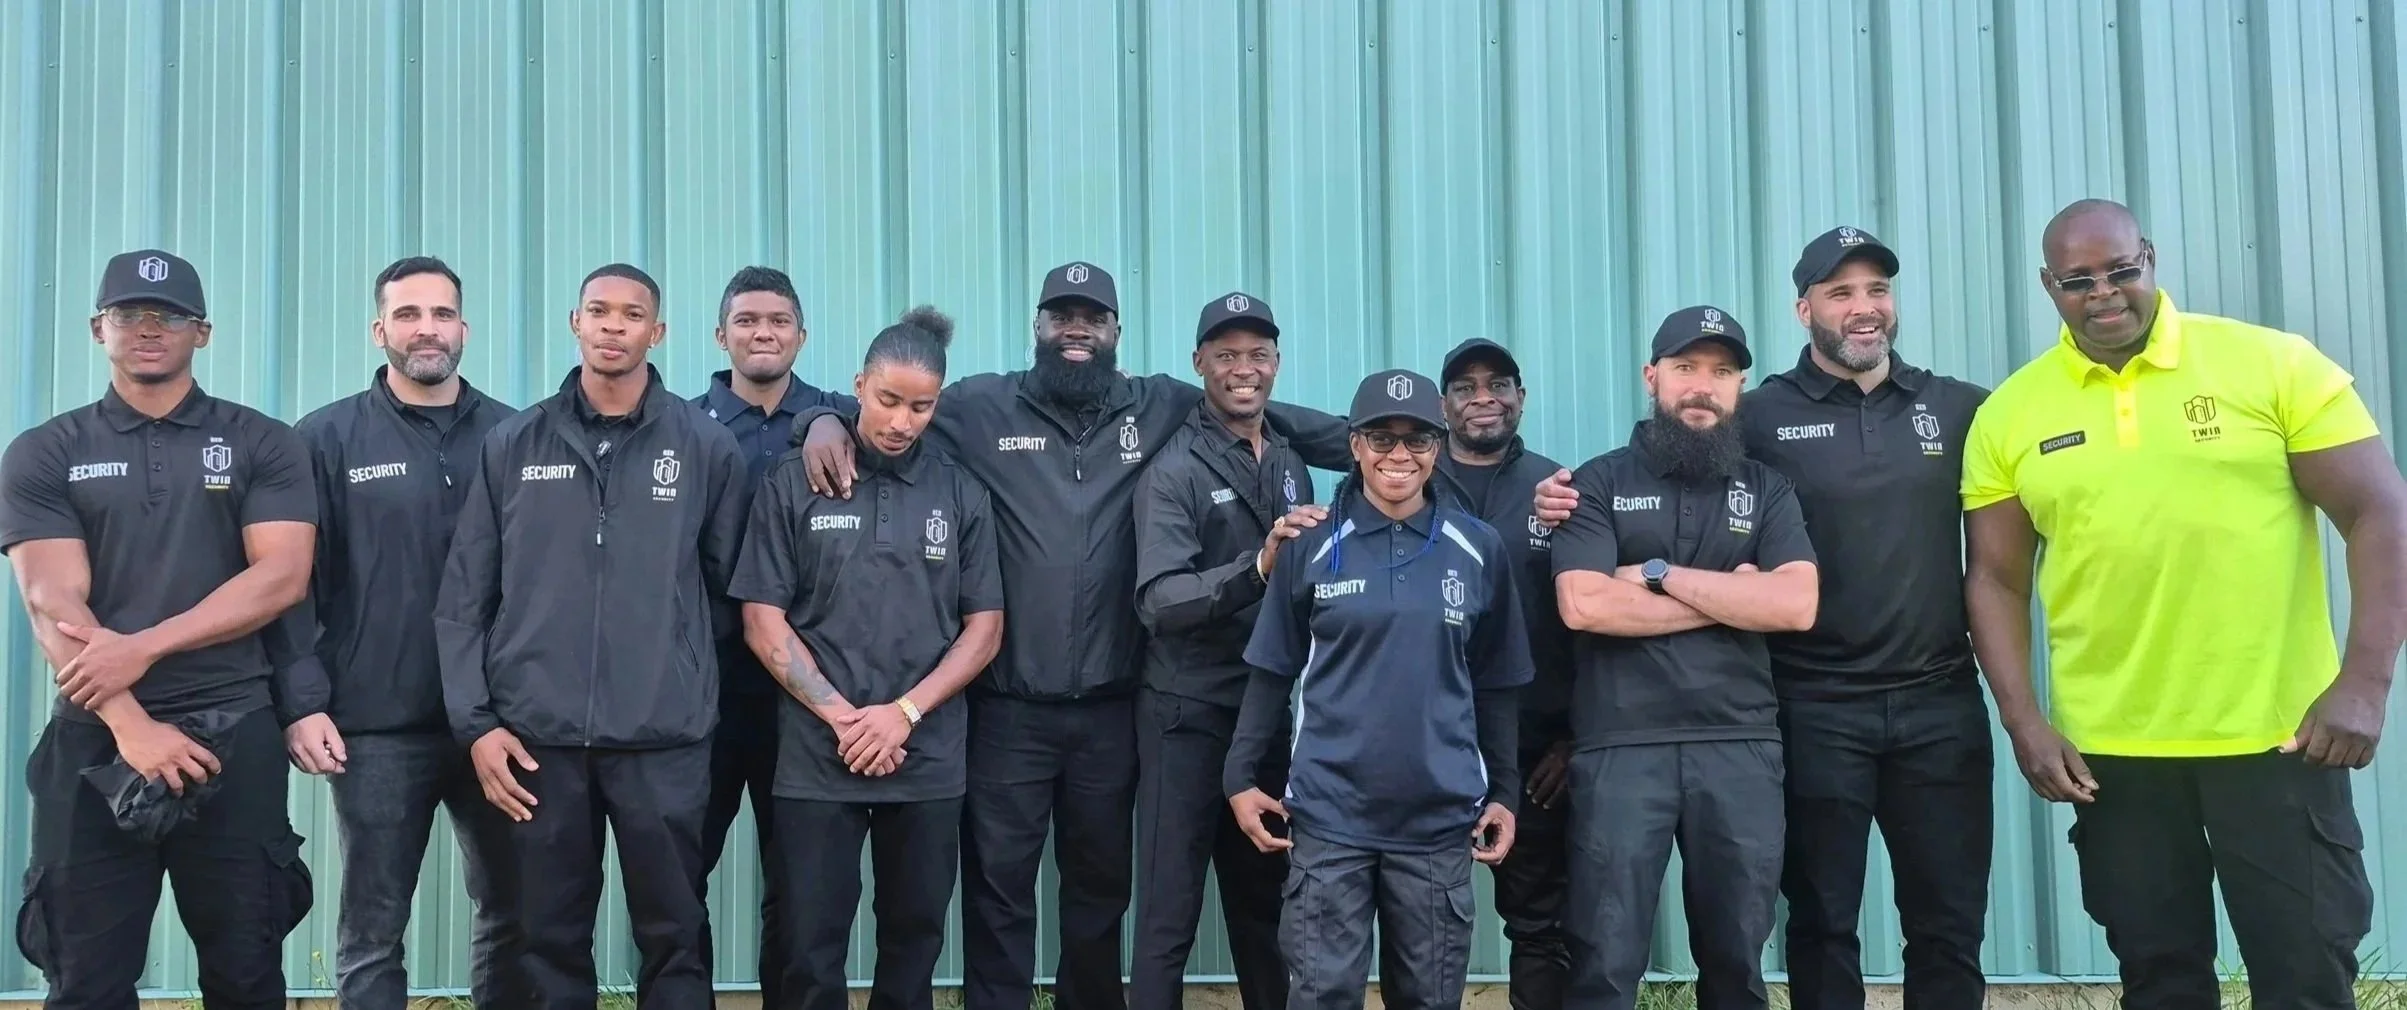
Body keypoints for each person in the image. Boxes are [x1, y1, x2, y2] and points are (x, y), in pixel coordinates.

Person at [786, 261, 1351, 1010]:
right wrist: (813, 420)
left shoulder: (1160, 405)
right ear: (1038, 328)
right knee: (1000, 893)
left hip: (1114, 708)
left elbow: (1263, 411)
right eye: (1060, 316)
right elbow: (885, 403)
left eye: (1092, 317)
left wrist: (1387, 443)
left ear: (1117, 331)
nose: (1075, 329)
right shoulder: (980, 405)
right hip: (1007, 708)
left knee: (1098, 891)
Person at [1533, 228, 1997, 1010]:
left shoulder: (1959, 409)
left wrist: (1651, 578)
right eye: (1839, 292)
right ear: (1803, 307)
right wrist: (1560, 510)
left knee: (1944, 925)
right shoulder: (1743, 422)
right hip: (1808, 707)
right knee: (1812, 923)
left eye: (1876, 290)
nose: (1862, 308)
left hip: (1934, 701)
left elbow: (1796, 599)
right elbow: (1597, 576)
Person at [1961, 198, 2400, 1010]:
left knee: (2305, 977)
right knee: (2159, 982)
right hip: (2114, 757)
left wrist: (2364, 682)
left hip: (2279, 739)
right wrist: (2024, 722)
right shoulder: (2011, 413)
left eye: (2121, 271)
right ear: (2046, 285)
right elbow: (1993, 578)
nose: (2103, 294)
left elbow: (2379, 512)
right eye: (2076, 280)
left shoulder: (2271, 365)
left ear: (2150, 259)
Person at [2, 248, 320, 1008]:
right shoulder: (46, 451)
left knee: (245, 970)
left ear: (201, 333)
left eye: (169, 316)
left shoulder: (263, 443)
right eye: (129, 315)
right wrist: (129, 724)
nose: (149, 329)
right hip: (94, 744)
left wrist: (141, 647)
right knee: (85, 977)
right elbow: (52, 599)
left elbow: (279, 576)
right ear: (97, 329)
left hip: (232, 734)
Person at [434, 262, 752, 1009]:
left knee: (674, 929)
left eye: (631, 314)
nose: (614, 326)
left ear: (657, 332)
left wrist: (668, 666)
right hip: (537, 740)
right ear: (575, 323)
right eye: (599, 311)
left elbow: (733, 594)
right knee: (546, 935)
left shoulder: (706, 448)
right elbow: (463, 600)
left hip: (663, 740)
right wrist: (477, 725)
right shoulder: (513, 444)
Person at [1223, 367, 1530, 1010]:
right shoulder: (1309, 544)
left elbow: (1498, 683)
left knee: (1428, 996)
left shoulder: (1478, 548)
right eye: (1381, 440)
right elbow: (1273, 666)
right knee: (1320, 994)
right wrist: (1239, 778)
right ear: (1356, 446)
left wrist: (1504, 793)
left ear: (1437, 449)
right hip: (1330, 815)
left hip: (1439, 818)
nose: (1399, 456)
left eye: (1416, 440)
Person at [729, 306, 1004, 1010]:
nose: (901, 421)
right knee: (807, 940)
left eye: (920, 406)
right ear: (856, 386)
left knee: (913, 936)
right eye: (887, 400)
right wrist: (845, 719)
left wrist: (903, 715)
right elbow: (762, 619)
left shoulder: (960, 490)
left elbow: (984, 628)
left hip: (927, 756)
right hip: (818, 758)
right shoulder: (797, 481)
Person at [1544, 306, 1819, 1010]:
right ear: (1651, 376)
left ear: (1738, 387)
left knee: (1736, 960)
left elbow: (1793, 605)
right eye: (1685, 368)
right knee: (1603, 960)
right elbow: (1584, 605)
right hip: (1619, 745)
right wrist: (1733, 596)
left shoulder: (1766, 488)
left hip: (1739, 744)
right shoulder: (1595, 483)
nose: (1703, 385)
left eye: (1722, 371)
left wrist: (1656, 573)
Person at [274, 256, 527, 1009]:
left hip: (499, 721)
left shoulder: (515, 437)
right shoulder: (324, 439)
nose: (427, 329)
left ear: (464, 329)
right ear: (379, 329)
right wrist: (302, 701)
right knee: (373, 925)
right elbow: (291, 586)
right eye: (409, 314)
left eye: (442, 314)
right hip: (375, 724)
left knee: (514, 912)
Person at [1129, 292, 1315, 1010]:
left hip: (1267, 717)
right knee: (1168, 916)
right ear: (1198, 363)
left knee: (1266, 910)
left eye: (1259, 354)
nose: (1245, 369)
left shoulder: (1292, 457)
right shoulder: (1172, 471)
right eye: (1228, 355)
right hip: (1185, 715)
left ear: (1276, 363)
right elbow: (1160, 600)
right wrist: (1258, 567)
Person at [688, 264, 856, 1005]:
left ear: (801, 335)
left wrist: (824, 418)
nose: (763, 333)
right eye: (748, 321)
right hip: (704, 692)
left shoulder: (846, 419)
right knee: (679, 874)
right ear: (720, 334)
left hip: (807, 697)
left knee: (802, 886)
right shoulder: (682, 425)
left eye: (778, 321)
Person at [1430, 337, 1572, 1010]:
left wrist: (1575, 739)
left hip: (1537, 753)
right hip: (1426, 746)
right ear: (1442, 407)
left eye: (1498, 384)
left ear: (1521, 396)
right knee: (1422, 922)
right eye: (1464, 387)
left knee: (1541, 924)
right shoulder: (1407, 487)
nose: (1482, 397)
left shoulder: (1560, 490)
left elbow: (1588, 623)